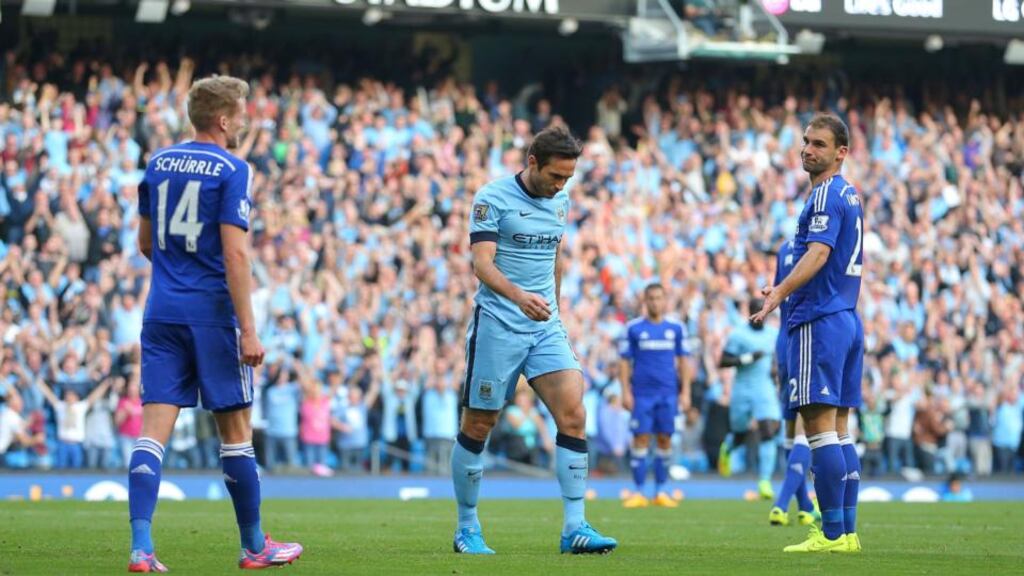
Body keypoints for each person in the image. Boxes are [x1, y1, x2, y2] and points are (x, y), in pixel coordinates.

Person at [127, 75, 302, 572]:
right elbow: (235, 252)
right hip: (211, 316)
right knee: (235, 429)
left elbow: (145, 242)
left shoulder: (158, 162)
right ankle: (254, 546)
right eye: (243, 113)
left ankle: (142, 549)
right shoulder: (233, 168)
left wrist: (174, 276)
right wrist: (248, 327)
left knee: (152, 431)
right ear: (224, 120)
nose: (246, 121)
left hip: (160, 310)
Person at [451, 125, 617, 555]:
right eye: (555, 176)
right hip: (498, 323)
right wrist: (520, 297)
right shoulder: (492, 198)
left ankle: (575, 527)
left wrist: (554, 310)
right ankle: (467, 528)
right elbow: (481, 265)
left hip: (544, 325)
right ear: (532, 162)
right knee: (479, 424)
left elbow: (554, 256)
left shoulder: (559, 200)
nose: (561, 185)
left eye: (568, 178)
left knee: (574, 415)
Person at [752, 114, 864, 553]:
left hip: (818, 319)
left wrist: (779, 291)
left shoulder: (824, 196)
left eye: (818, 143)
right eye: (805, 142)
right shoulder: (849, 195)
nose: (807, 150)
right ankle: (848, 533)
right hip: (848, 318)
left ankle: (832, 533)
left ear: (841, 152)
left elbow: (818, 253)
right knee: (840, 430)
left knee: (817, 430)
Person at [619, 283, 691, 508]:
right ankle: (639, 492)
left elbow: (683, 361)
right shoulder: (633, 329)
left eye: (659, 298)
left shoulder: (676, 328)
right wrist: (625, 391)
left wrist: (685, 391)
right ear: (645, 301)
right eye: (650, 298)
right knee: (640, 439)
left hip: (668, 393)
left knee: (665, 439)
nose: (655, 302)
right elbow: (624, 362)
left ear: (665, 300)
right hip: (642, 394)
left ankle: (660, 491)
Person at [767, 239, 818, 527]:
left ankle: (805, 505)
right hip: (806, 338)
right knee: (806, 425)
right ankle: (780, 503)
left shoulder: (784, 249)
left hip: (783, 341)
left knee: (790, 424)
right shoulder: (819, 248)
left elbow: (777, 293)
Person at [717, 297, 780, 500]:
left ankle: (764, 481)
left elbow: (775, 360)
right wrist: (748, 358)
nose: (759, 315)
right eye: (755, 311)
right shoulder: (738, 335)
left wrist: (776, 373)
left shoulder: (773, 334)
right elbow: (723, 361)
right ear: (749, 313)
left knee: (768, 430)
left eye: (762, 311)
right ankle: (729, 446)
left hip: (764, 387)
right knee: (741, 434)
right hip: (743, 388)